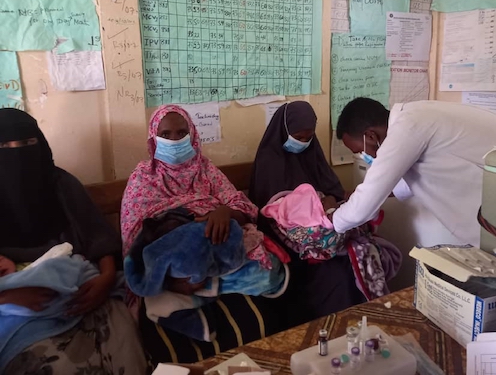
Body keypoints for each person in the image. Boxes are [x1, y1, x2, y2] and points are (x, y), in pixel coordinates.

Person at [121, 105, 285, 364]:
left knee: (260, 315)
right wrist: (171, 281)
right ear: (154, 138)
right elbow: (134, 239)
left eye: (181, 133)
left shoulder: (206, 170)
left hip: (216, 259)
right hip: (170, 275)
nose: (175, 140)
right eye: (166, 134)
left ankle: (211, 286)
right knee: (170, 344)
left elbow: (244, 208)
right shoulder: (143, 177)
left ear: (192, 134)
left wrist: (225, 212)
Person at [0, 108, 146, 374]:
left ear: (41, 145)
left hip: (85, 292)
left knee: (125, 341)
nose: (17, 154)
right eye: (4, 146)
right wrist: (8, 295)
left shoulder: (62, 185)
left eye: (27, 143)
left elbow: (98, 237)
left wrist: (106, 278)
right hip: (19, 312)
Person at [333, 98, 496, 246]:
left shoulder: (408, 128)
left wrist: (329, 220)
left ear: (370, 135)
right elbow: (405, 181)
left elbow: (362, 209)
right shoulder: (418, 114)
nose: (365, 157)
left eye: (360, 151)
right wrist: (354, 198)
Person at [249, 101, 366, 324]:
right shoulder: (269, 160)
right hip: (286, 239)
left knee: (356, 255)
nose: (303, 143)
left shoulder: (313, 154)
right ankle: (329, 327)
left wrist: (329, 204)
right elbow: (270, 211)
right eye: (298, 137)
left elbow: (333, 191)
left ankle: (356, 323)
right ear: (284, 131)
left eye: (308, 137)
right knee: (334, 273)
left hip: (324, 229)